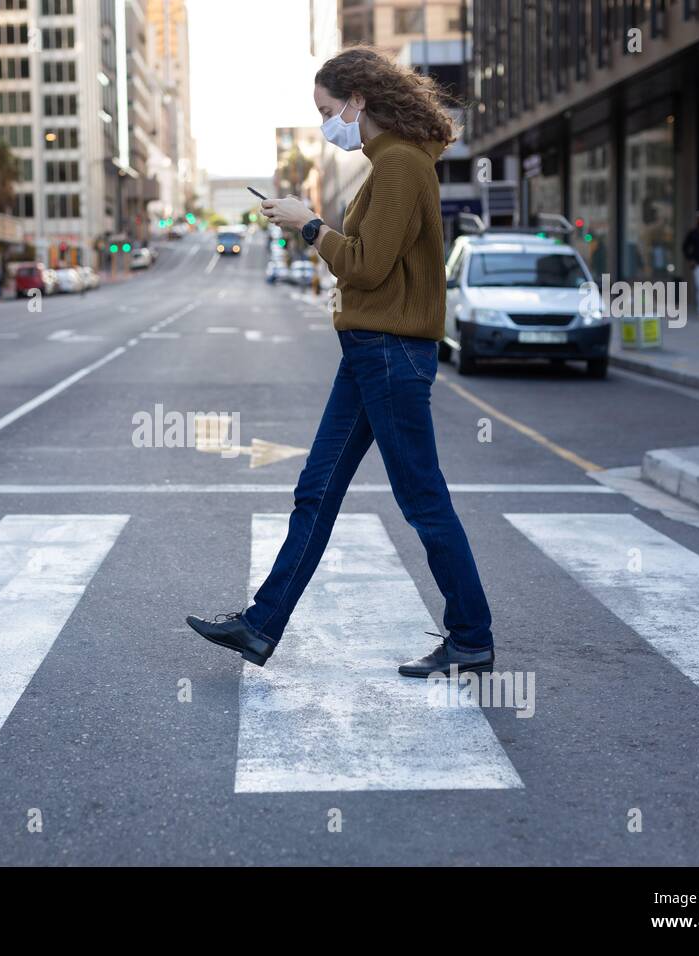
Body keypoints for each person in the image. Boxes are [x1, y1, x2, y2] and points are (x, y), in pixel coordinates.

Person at [186, 45, 494, 679]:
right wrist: (310, 225)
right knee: (317, 488)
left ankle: (472, 635)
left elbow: (367, 265)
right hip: (369, 351)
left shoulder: (402, 164)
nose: (328, 124)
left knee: (422, 499)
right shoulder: (388, 164)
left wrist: (307, 226)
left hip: (390, 350)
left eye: (329, 110)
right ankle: (260, 626)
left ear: (358, 102)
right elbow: (366, 256)